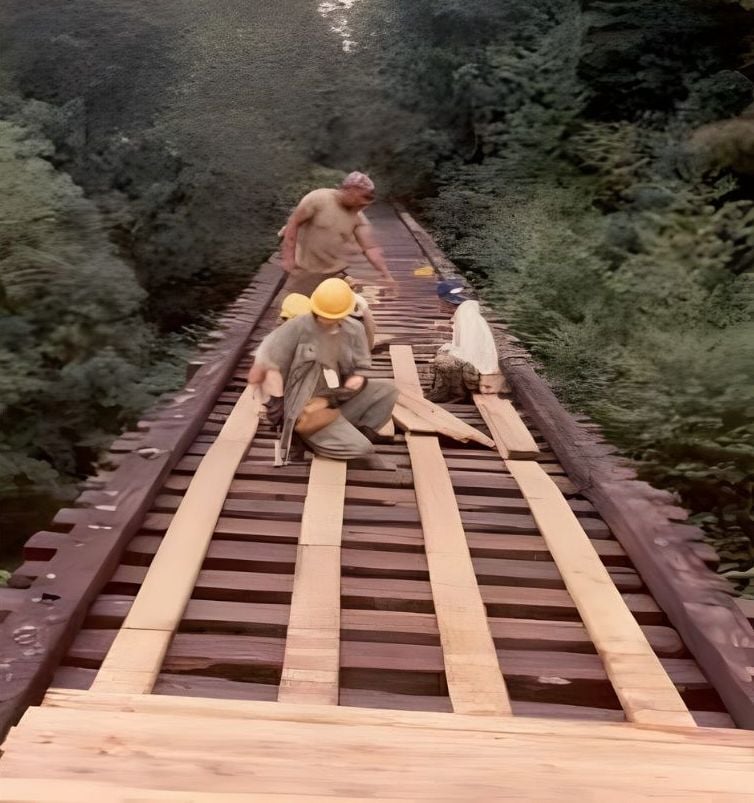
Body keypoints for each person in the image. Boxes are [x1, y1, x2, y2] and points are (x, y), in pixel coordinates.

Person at [247, 277, 397, 464]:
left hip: (333, 400)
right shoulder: (295, 331)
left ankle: (346, 433)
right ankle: (309, 439)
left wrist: (365, 310)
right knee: (362, 450)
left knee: (387, 392)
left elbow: (365, 348)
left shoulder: (351, 329)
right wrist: (278, 406)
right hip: (306, 409)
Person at [278, 172, 396, 296]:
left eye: (366, 202)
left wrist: (386, 275)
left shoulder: (358, 218)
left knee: (336, 310)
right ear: (351, 190)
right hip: (305, 270)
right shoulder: (318, 199)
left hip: (333, 273)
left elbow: (370, 248)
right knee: (293, 307)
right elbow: (293, 223)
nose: (363, 205)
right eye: (361, 197)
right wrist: (288, 257)